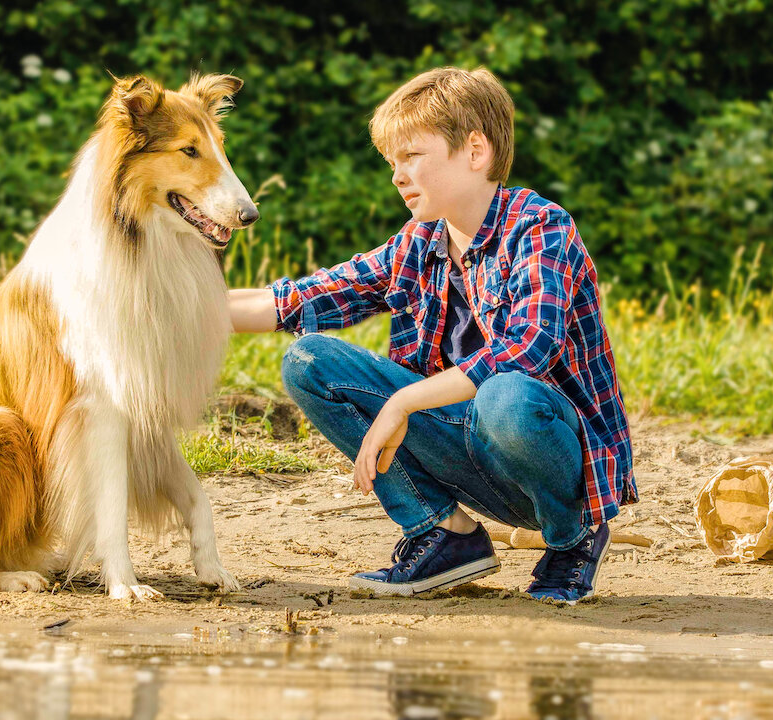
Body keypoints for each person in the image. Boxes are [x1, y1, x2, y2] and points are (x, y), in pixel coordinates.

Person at [226, 67, 635, 604]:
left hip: (551, 462)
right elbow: (303, 298)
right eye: (392, 162)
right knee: (309, 360)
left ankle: (572, 538)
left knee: (505, 393)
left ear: (475, 152)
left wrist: (404, 401)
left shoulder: (541, 226)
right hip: (470, 456)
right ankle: (444, 534)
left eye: (412, 156)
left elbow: (528, 348)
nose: (397, 175)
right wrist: (170, 305)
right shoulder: (419, 242)